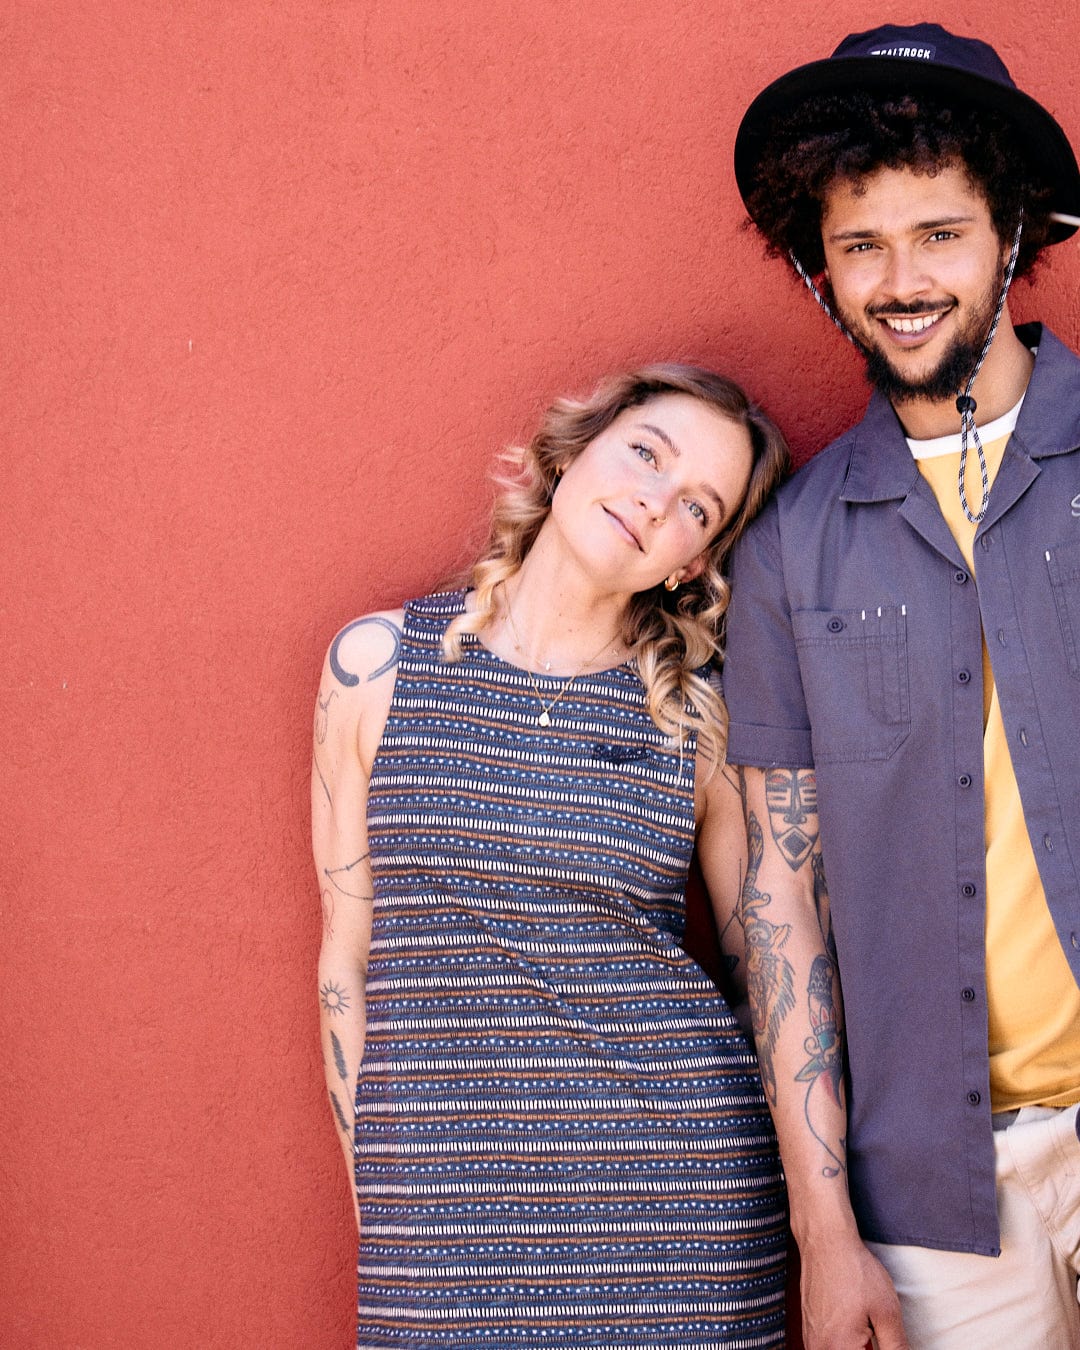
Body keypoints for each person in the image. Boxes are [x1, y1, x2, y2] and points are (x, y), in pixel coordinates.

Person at [311, 363, 791, 1348]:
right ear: (577, 450)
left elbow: (768, 979)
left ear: (691, 565)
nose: (656, 501)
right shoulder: (376, 667)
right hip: (441, 1228)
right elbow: (348, 965)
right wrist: (390, 1216)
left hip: (679, 1217)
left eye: (697, 506)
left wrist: (821, 1227)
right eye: (646, 454)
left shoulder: (698, 719)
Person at [725, 21, 1080, 1350]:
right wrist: (827, 1234)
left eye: (937, 233)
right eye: (861, 243)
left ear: (1012, 236)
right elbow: (780, 906)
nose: (901, 279)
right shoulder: (792, 544)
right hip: (937, 1185)